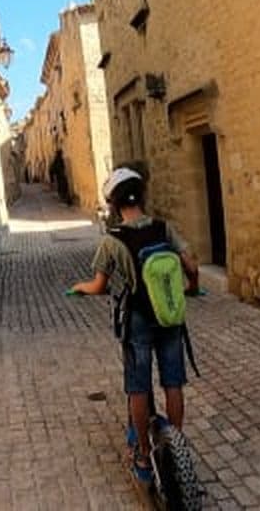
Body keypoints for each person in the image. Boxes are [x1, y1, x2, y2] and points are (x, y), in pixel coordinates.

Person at [70, 167, 197, 483]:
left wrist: (79, 287)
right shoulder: (163, 228)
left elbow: (99, 285)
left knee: (138, 387)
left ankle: (142, 452)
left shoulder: (112, 240)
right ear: (141, 196)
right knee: (172, 382)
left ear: (114, 205)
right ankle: (175, 444)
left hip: (136, 320)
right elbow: (191, 263)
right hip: (168, 315)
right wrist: (191, 285)